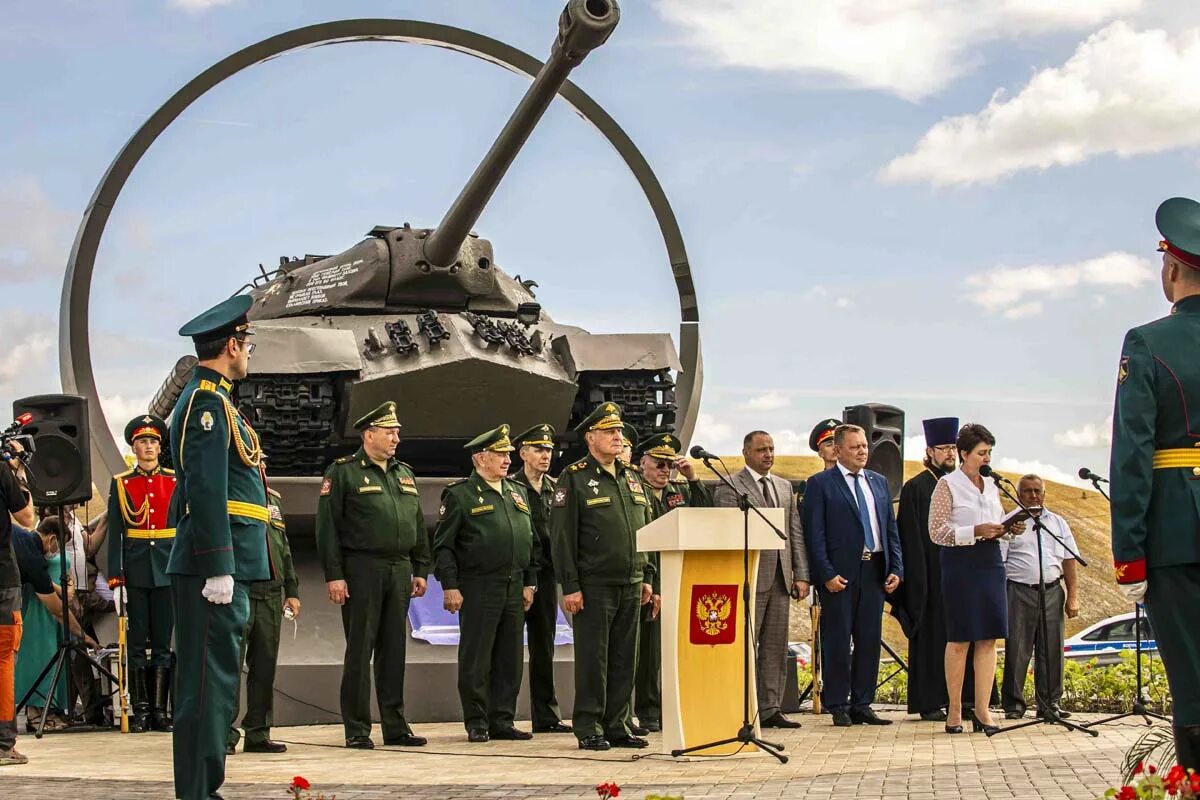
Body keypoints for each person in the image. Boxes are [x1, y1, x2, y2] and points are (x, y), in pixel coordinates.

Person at [167, 294, 271, 800]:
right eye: (246, 342)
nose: (249, 351)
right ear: (232, 344)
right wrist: (217, 566)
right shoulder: (207, 404)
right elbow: (205, 488)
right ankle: (198, 793)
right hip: (216, 566)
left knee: (217, 685)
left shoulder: (218, 401)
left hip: (231, 560)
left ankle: (205, 789)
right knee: (207, 689)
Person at [1110, 196, 1200, 770]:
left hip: (1177, 529)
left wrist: (1130, 556)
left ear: (1171, 269)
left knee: (1192, 679)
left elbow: (1133, 454)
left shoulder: (1147, 343)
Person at [315, 400, 430, 750]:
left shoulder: (404, 473)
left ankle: (395, 726)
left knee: (394, 651)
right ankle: (357, 728)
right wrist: (334, 575)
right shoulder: (344, 472)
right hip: (361, 568)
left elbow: (417, 523)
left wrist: (421, 567)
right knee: (360, 650)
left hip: (399, 569)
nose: (396, 437)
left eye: (397, 431)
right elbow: (328, 529)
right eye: (389, 431)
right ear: (369, 434)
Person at [551, 402, 653, 751]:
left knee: (626, 658)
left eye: (619, 432)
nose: (617, 437)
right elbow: (563, 537)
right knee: (594, 659)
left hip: (632, 581)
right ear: (590, 437)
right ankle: (589, 725)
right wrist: (571, 586)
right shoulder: (575, 477)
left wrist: (648, 575)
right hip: (594, 585)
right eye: (610, 431)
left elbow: (647, 529)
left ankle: (617, 723)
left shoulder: (632, 478)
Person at [434, 425, 539, 743]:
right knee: (477, 657)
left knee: (509, 658)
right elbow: (443, 546)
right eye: (500, 454)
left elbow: (529, 541)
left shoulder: (517, 492)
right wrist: (450, 585)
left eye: (508, 454)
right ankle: (477, 721)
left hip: (513, 586)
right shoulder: (460, 494)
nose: (507, 459)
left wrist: (530, 583)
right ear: (481, 458)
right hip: (479, 586)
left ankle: (502, 719)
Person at [893, 416, 992, 721]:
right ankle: (932, 701)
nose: (949, 453)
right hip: (931, 579)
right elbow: (911, 537)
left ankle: (972, 700)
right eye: (943, 448)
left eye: (953, 447)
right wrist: (918, 582)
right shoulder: (917, 487)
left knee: (974, 637)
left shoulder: (973, 485)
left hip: (969, 571)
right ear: (930, 451)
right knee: (936, 639)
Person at [804, 424, 902, 726]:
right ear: (838, 449)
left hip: (874, 569)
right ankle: (838, 704)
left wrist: (896, 567)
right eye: (855, 447)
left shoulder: (879, 482)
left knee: (869, 639)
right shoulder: (821, 483)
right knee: (838, 639)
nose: (862, 451)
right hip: (840, 574)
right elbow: (815, 535)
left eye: (864, 446)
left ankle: (863, 702)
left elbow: (889, 529)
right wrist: (826, 574)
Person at [928, 423, 1023, 735]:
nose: (986, 458)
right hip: (960, 563)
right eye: (981, 453)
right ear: (963, 453)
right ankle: (954, 709)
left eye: (989, 453)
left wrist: (1007, 529)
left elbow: (995, 523)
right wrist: (976, 531)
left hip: (990, 562)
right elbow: (937, 531)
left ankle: (983, 710)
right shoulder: (947, 485)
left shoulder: (992, 486)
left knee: (989, 638)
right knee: (960, 638)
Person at [713, 430, 810, 729]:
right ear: (746, 453)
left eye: (771, 449)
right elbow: (727, 533)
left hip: (781, 577)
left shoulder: (783, 487)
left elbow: (794, 533)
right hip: (749, 576)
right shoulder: (731, 486)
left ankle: (771, 707)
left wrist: (801, 574)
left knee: (775, 646)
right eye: (761, 450)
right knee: (744, 645)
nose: (768, 455)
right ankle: (742, 705)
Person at [632, 433, 711, 733]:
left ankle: (674, 705)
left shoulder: (678, 491)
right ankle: (648, 710)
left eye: (670, 465)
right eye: (659, 464)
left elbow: (704, 515)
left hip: (679, 576)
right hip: (648, 578)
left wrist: (693, 479)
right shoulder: (635, 492)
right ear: (643, 464)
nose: (665, 470)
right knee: (649, 652)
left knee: (676, 650)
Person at [106, 414, 176, 733]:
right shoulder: (122, 483)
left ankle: (161, 711)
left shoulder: (174, 481)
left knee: (162, 641)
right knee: (136, 643)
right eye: (142, 442)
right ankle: (141, 710)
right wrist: (115, 577)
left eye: (153, 442)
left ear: (160, 448)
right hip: (135, 571)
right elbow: (116, 533)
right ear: (134, 448)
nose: (148, 447)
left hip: (167, 568)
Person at [1001, 474, 1080, 721]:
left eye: (1038, 491)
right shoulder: (1009, 523)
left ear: (1044, 494)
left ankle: (1050, 704)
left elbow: (1069, 561)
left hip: (1052, 591)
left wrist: (1073, 596)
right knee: (1017, 649)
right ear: (1019, 494)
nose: (1033, 496)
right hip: (1018, 591)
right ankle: (1014, 706)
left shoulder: (1057, 523)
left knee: (1051, 649)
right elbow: (999, 562)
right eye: (1027, 491)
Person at [227, 485, 300, 755]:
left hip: (271, 593)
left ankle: (258, 732)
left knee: (264, 667)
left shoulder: (274, 500)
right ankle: (224, 734)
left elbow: (284, 547)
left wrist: (292, 590)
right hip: (240, 590)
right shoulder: (233, 494)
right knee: (231, 667)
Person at [509, 423, 571, 735]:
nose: (546, 455)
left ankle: (546, 714)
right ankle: (500, 715)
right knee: (506, 648)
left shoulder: (556, 488)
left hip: (546, 576)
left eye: (548, 450)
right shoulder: (511, 487)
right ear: (523, 454)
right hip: (516, 575)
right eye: (538, 449)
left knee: (544, 645)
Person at [13, 519, 96, 731]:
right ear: (52, 539)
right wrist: (82, 634)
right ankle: (36, 713)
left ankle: (46, 711)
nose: (56, 552)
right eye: (58, 545)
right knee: (38, 659)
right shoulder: (34, 558)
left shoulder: (23, 540)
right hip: (35, 616)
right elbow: (57, 609)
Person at [1, 441, 35, 766]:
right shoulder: (1, 469)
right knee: (3, 660)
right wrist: (18, 471)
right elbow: (27, 517)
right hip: (1, 581)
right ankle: (2, 744)